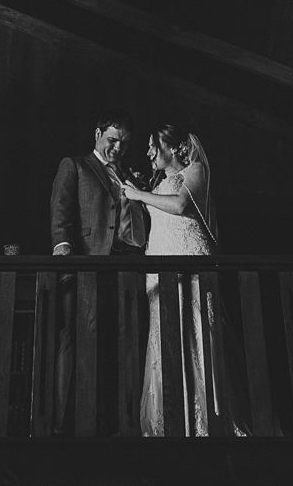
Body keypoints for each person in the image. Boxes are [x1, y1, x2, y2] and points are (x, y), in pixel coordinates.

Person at [121, 125, 245, 437]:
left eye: (154, 145)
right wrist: (138, 190)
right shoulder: (157, 182)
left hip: (189, 260)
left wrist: (137, 194)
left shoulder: (195, 171)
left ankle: (204, 421)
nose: (149, 152)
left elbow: (179, 206)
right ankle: (169, 419)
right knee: (165, 337)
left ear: (174, 148)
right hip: (160, 261)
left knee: (197, 332)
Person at [48, 113, 149, 433]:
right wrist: (64, 254)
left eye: (124, 143)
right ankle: (66, 424)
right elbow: (61, 210)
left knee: (125, 340)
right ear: (97, 134)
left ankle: (118, 422)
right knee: (78, 340)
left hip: (128, 266)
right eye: (113, 140)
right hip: (87, 266)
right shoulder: (75, 165)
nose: (118, 148)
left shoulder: (129, 176)